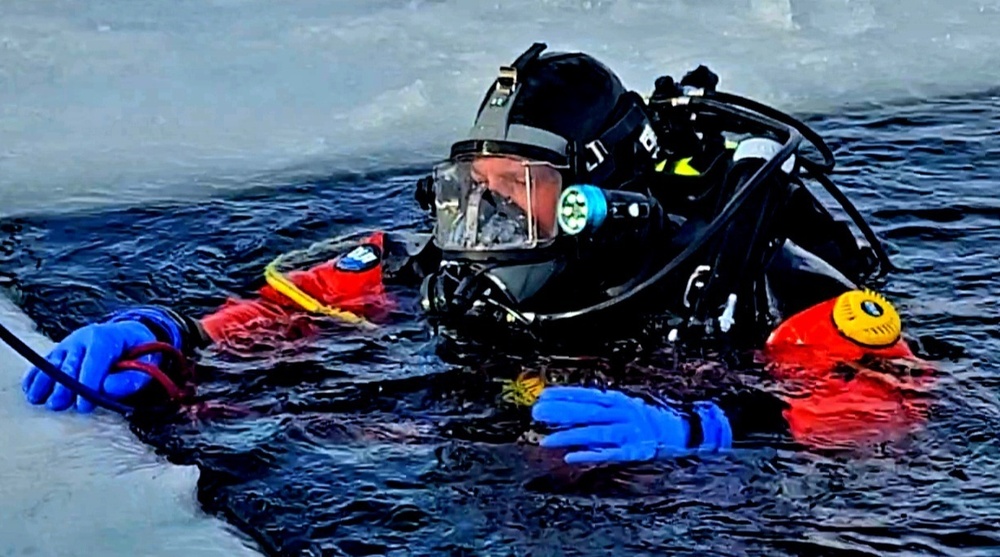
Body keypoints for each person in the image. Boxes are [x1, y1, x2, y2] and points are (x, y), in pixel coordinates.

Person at [18, 43, 932, 463]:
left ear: (595, 191)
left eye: (516, 186)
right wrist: (175, 333)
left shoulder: (744, 272)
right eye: (471, 186)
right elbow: (302, 306)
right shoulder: (461, 269)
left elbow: (893, 401)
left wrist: (709, 432)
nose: (480, 214)